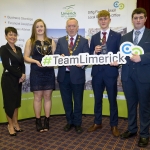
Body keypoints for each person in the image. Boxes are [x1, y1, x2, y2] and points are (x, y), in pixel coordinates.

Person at [119, 8, 150, 147]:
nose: (138, 20)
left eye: (140, 17)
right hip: (127, 77)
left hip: (144, 77)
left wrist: (142, 58)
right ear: (132, 19)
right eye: (135, 17)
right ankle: (132, 129)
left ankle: (144, 134)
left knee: (144, 107)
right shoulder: (125, 37)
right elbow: (122, 56)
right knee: (131, 105)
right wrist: (116, 61)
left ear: (145, 19)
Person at [87, 10, 121, 137]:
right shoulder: (94, 37)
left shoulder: (117, 36)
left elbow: (120, 54)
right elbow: (89, 56)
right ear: (98, 21)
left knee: (112, 100)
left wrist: (117, 62)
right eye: (101, 19)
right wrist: (94, 52)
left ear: (109, 20)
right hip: (97, 73)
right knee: (97, 100)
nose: (103, 21)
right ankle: (97, 122)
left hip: (110, 72)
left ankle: (114, 125)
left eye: (105, 18)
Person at [54, 18, 89, 134]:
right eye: (69, 26)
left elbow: (87, 57)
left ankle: (78, 123)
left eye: (73, 26)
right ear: (66, 28)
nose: (71, 28)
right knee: (67, 101)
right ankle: (70, 122)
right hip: (64, 76)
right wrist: (60, 57)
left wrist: (82, 64)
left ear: (77, 27)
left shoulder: (83, 41)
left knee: (78, 101)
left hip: (77, 75)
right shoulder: (61, 40)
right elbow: (56, 56)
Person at [24, 19, 56, 132]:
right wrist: (35, 61)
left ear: (44, 28)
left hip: (49, 72)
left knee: (47, 97)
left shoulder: (51, 41)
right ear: (34, 29)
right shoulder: (30, 41)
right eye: (37, 27)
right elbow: (26, 57)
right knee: (37, 98)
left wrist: (58, 58)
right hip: (36, 71)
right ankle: (38, 121)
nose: (39, 28)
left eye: (41, 26)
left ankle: (47, 120)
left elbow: (54, 57)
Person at [1, 27, 26, 136]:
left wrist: (23, 74)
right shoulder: (3, 49)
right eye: (10, 34)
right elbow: (7, 65)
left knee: (16, 103)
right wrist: (20, 75)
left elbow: (22, 64)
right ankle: (10, 125)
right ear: (6, 36)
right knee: (9, 104)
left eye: (14, 35)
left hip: (18, 80)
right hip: (8, 79)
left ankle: (16, 123)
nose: (13, 37)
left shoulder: (19, 49)